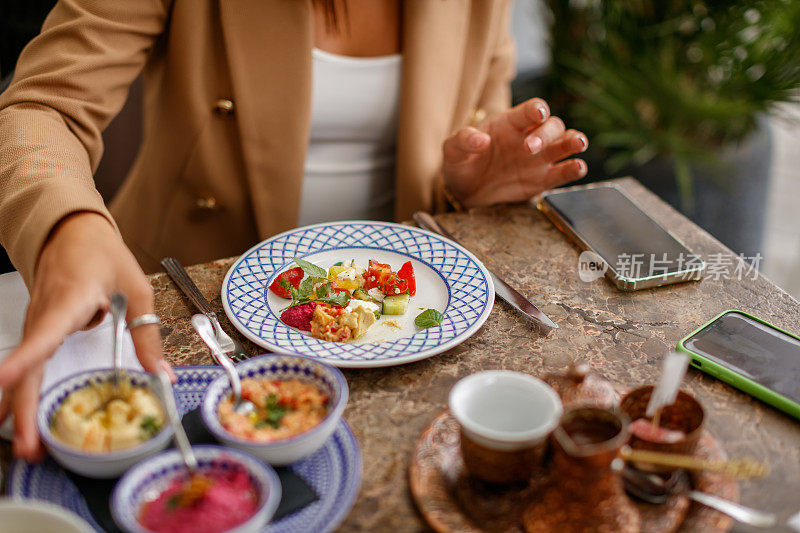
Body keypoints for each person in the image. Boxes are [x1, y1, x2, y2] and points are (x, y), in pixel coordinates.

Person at [0, 0, 588, 461]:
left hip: (409, 334)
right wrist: (67, 224)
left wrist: (470, 189)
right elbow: (41, 107)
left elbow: (472, 134)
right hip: (195, 309)